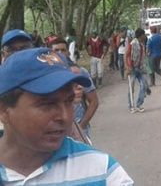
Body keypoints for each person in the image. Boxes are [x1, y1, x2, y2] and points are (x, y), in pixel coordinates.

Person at [0, 47, 133, 184]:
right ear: (3, 110)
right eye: (47, 104)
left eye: (69, 101)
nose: (65, 116)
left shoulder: (102, 172)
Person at [50, 38, 99, 140]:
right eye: (56, 50)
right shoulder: (45, 77)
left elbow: (94, 101)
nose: (60, 53)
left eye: (63, 50)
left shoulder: (80, 72)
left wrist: (81, 125)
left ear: (68, 51)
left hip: (79, 128)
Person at [126, 28, 149, 113]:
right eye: (144, 34)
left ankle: (139, 104)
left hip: (141, 68)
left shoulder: (142, 44)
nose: (145, 36)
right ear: (141, 35)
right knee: (131, 87)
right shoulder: (133, 43)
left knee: (143, 85)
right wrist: (128, 67)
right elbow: (127, 55)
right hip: (133, 68)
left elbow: (143, 57)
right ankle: (131, 106)